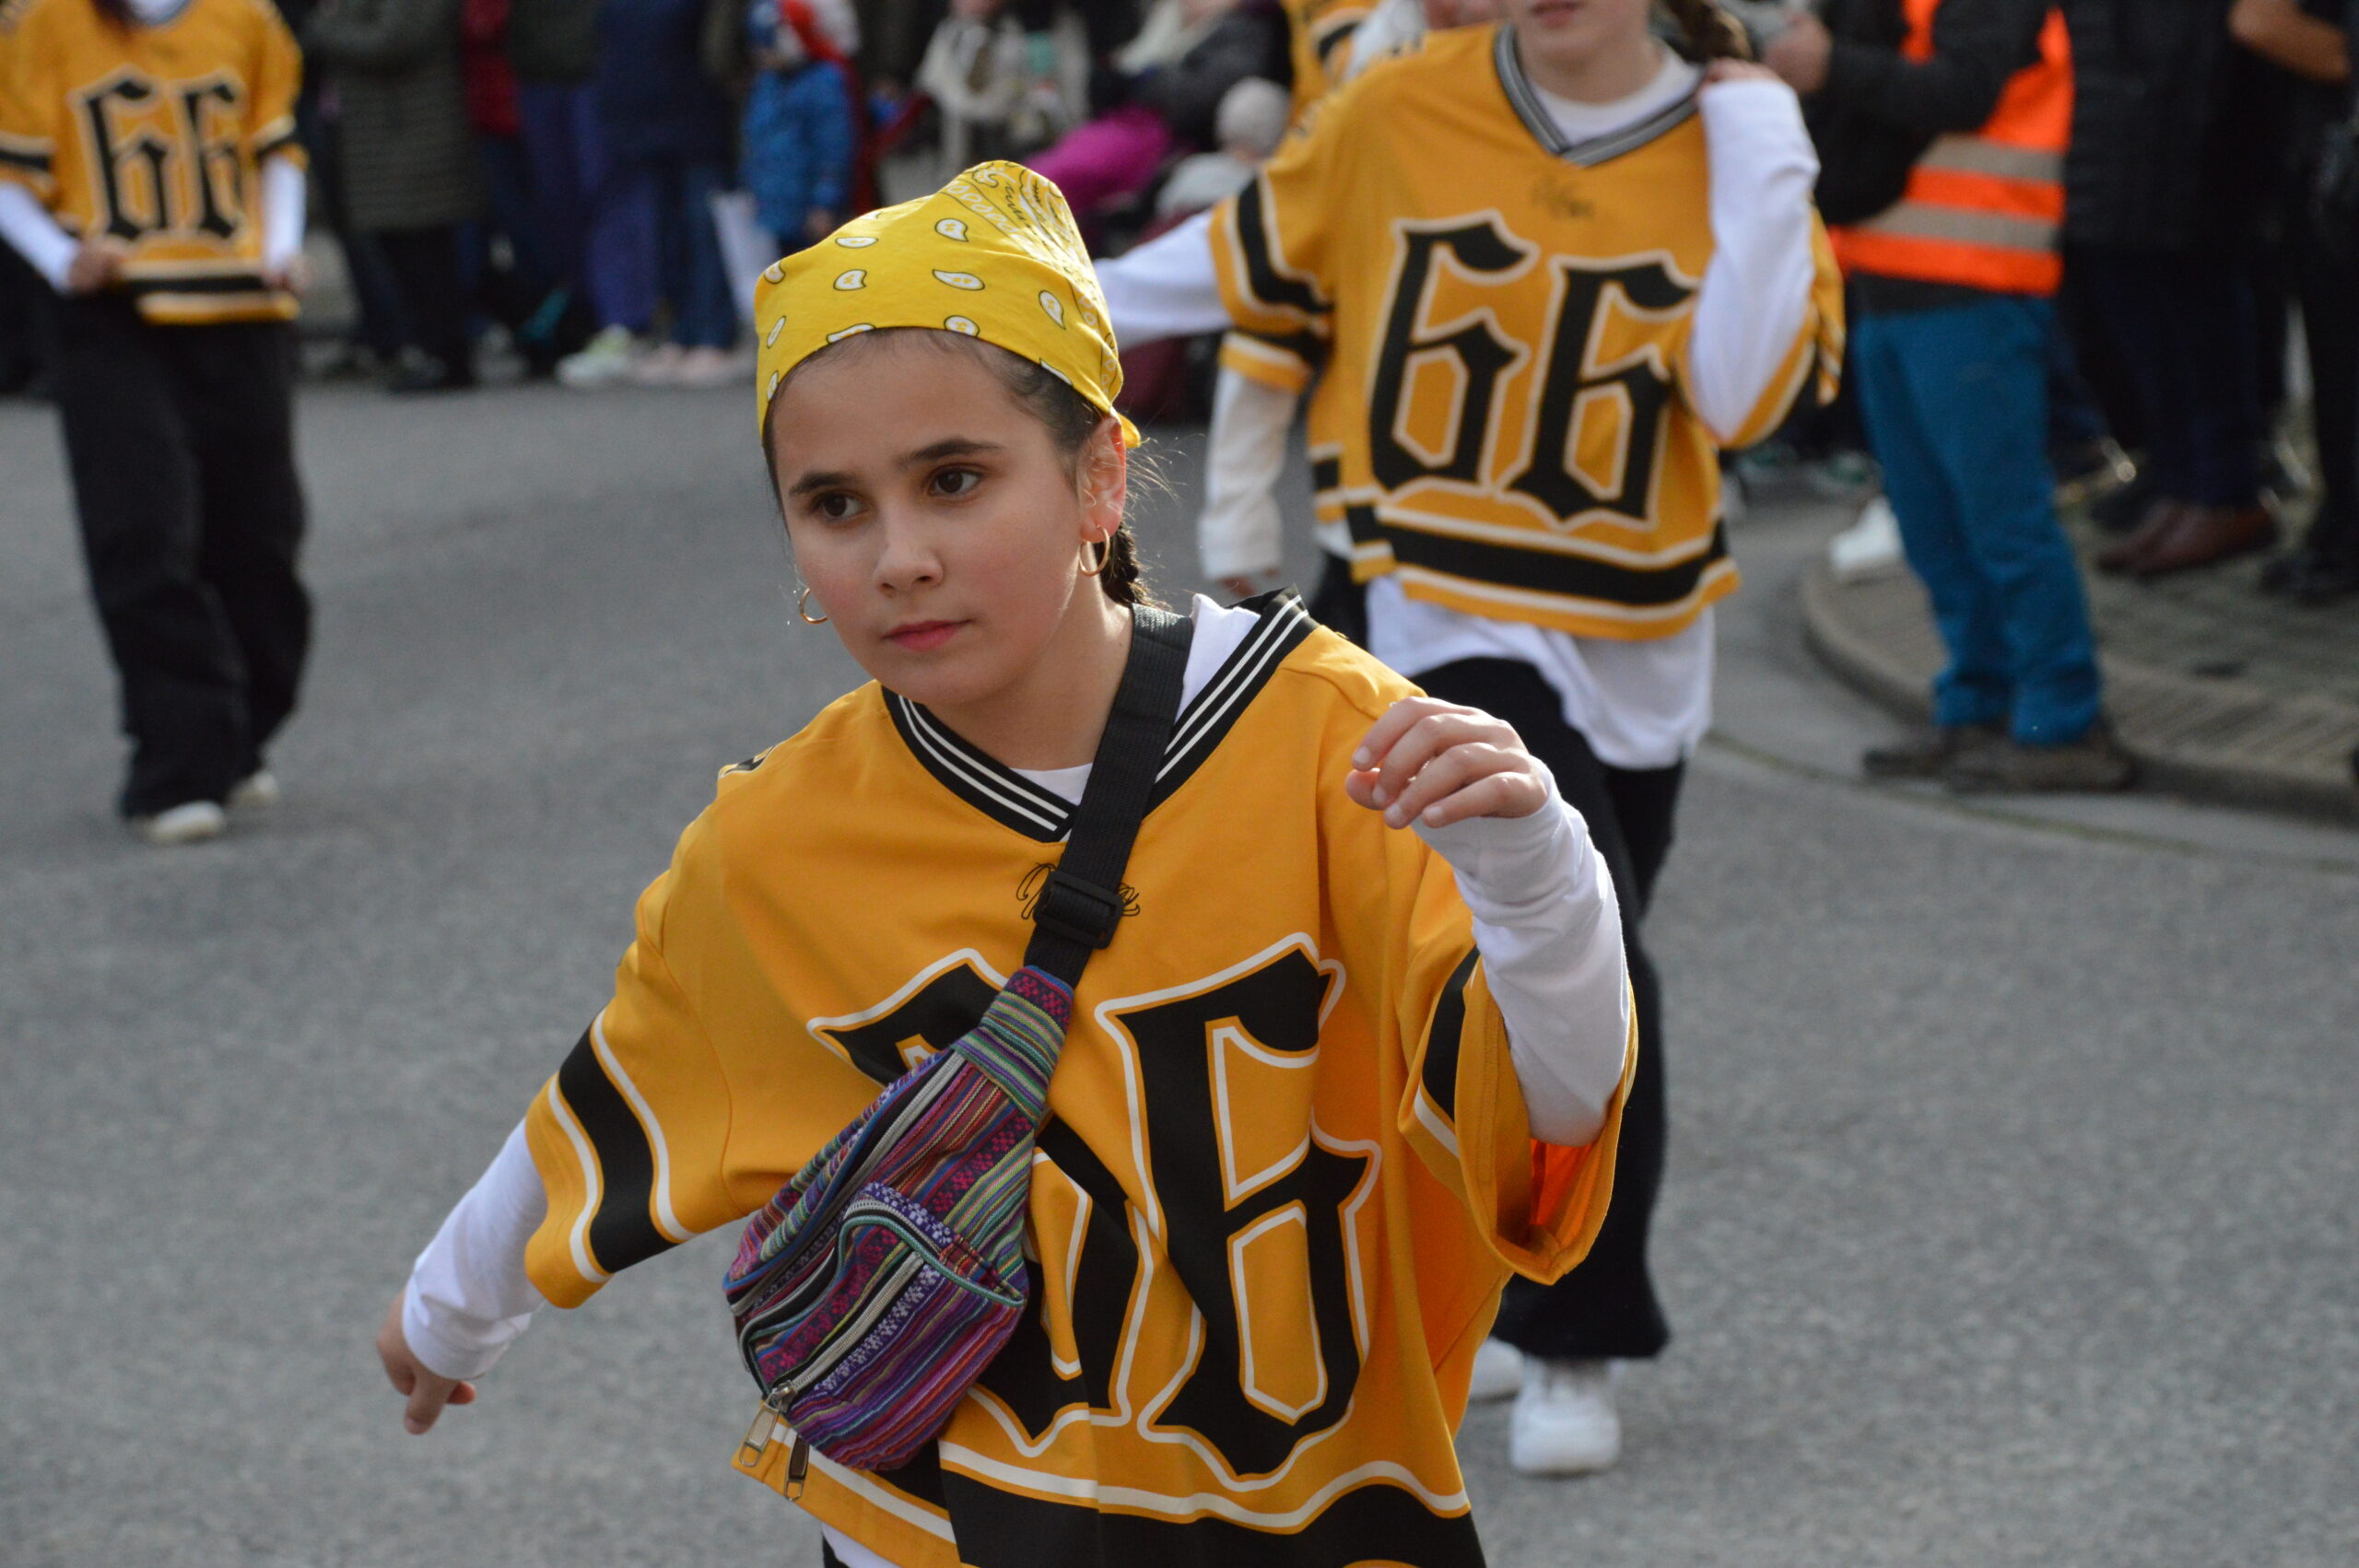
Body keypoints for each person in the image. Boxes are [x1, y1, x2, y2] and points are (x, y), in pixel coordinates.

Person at [373, 162, 1639, 1567]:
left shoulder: (1326, 739)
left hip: (1297, 1510)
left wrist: (1538, 874)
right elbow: (624, 1096)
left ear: (1100, 472)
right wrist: (445, 1311)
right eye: (835, 505)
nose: (900, 555)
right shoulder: (779, 835)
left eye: (956, 479)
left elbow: (1560, 1109)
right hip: (948, 1525)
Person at [1095, 0, 1842, 1475]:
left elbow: (1748, 390)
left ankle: (1498, 1278)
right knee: (1591, 946)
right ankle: (1578, 1326)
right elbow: (1245, 251)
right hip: (1440, 610)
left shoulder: (1728, 132)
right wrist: (1018, 290)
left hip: (1637, 627)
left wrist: (1761, 136)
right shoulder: (1402, 102)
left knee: (1540, 989)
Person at [1768, 0, 2133, 791]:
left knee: (2001, 523)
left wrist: (1829, 65)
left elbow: (1964, 92)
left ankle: (2063, 723)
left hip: (1974, 289)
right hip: (1899, 285)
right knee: (1935, 527)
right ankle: (1977, 709)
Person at [0, 0, 314, 844]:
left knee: (260, 538)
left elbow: (275, 147)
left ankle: (242, 731)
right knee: (141, 528)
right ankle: (177, 760)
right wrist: (63, 259)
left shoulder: (245, 18)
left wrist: (282, 244)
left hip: (239, 310)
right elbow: (8, 173)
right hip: (114, 316)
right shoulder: (52, 24)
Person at [2059, 0, 2281, 579]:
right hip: (2113, 144)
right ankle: (2183, 486)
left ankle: (2227, 493)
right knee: (2148, 333)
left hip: (2187, 147)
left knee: (2201, 329)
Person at [2236, 0, 2359, 606]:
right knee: (2334, 372)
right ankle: (2339, 525)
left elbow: (2273, 26)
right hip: (2318, 168)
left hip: (2334, 161)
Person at [306, 0, 490, 392]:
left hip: (411, 130)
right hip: (382, 133)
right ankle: (425, 350)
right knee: (400, 251)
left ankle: (447, 356)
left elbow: (394, 39)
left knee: (426, 252)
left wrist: (325, 30)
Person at [742, 0, 862, 255]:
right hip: (774, 207)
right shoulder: (767, 83)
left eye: (768, 47)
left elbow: (834, 150)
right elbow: (755, 140)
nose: (761, 55)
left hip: (809, 213)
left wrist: (825, 203)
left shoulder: (824, 83)